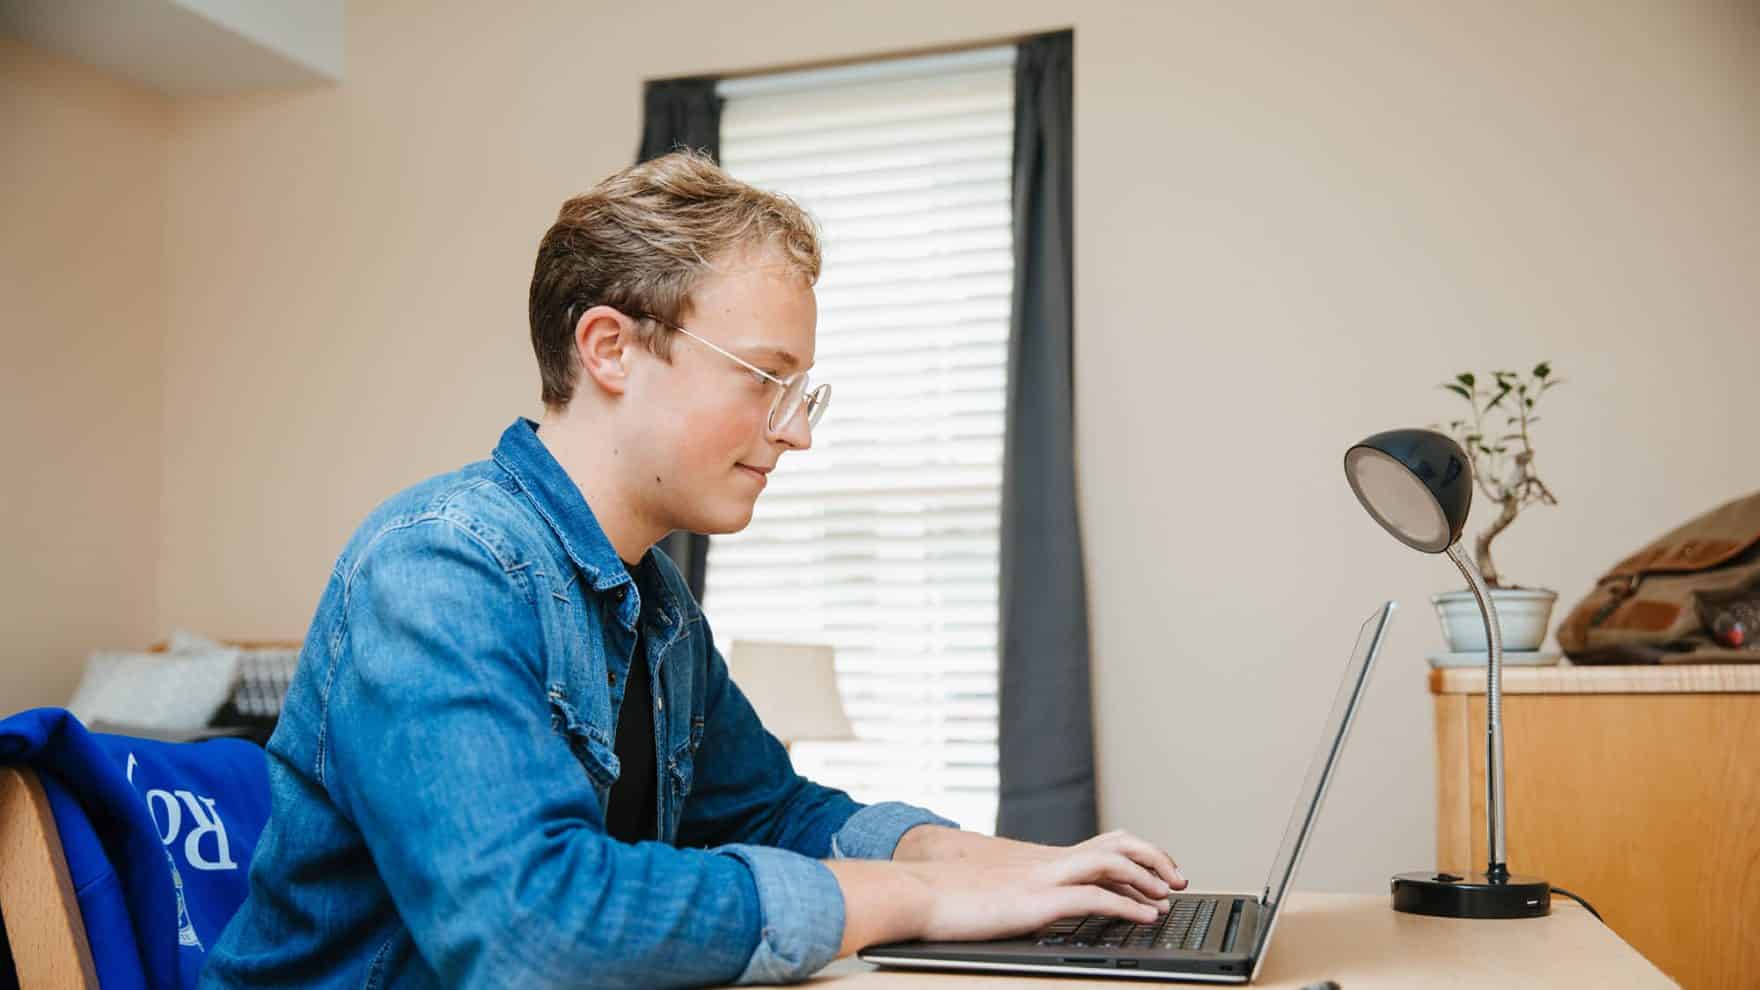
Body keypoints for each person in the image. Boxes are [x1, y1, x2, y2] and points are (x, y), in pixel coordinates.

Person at [201, 151, 1184, 989]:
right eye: (764, 380)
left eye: (802, 394)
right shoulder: (437, 569)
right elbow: (527, 926)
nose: (793, 432)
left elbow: (771, 810)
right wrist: (910, 896)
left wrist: (1002, 869)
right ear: (609, 348)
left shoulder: (656, 606)